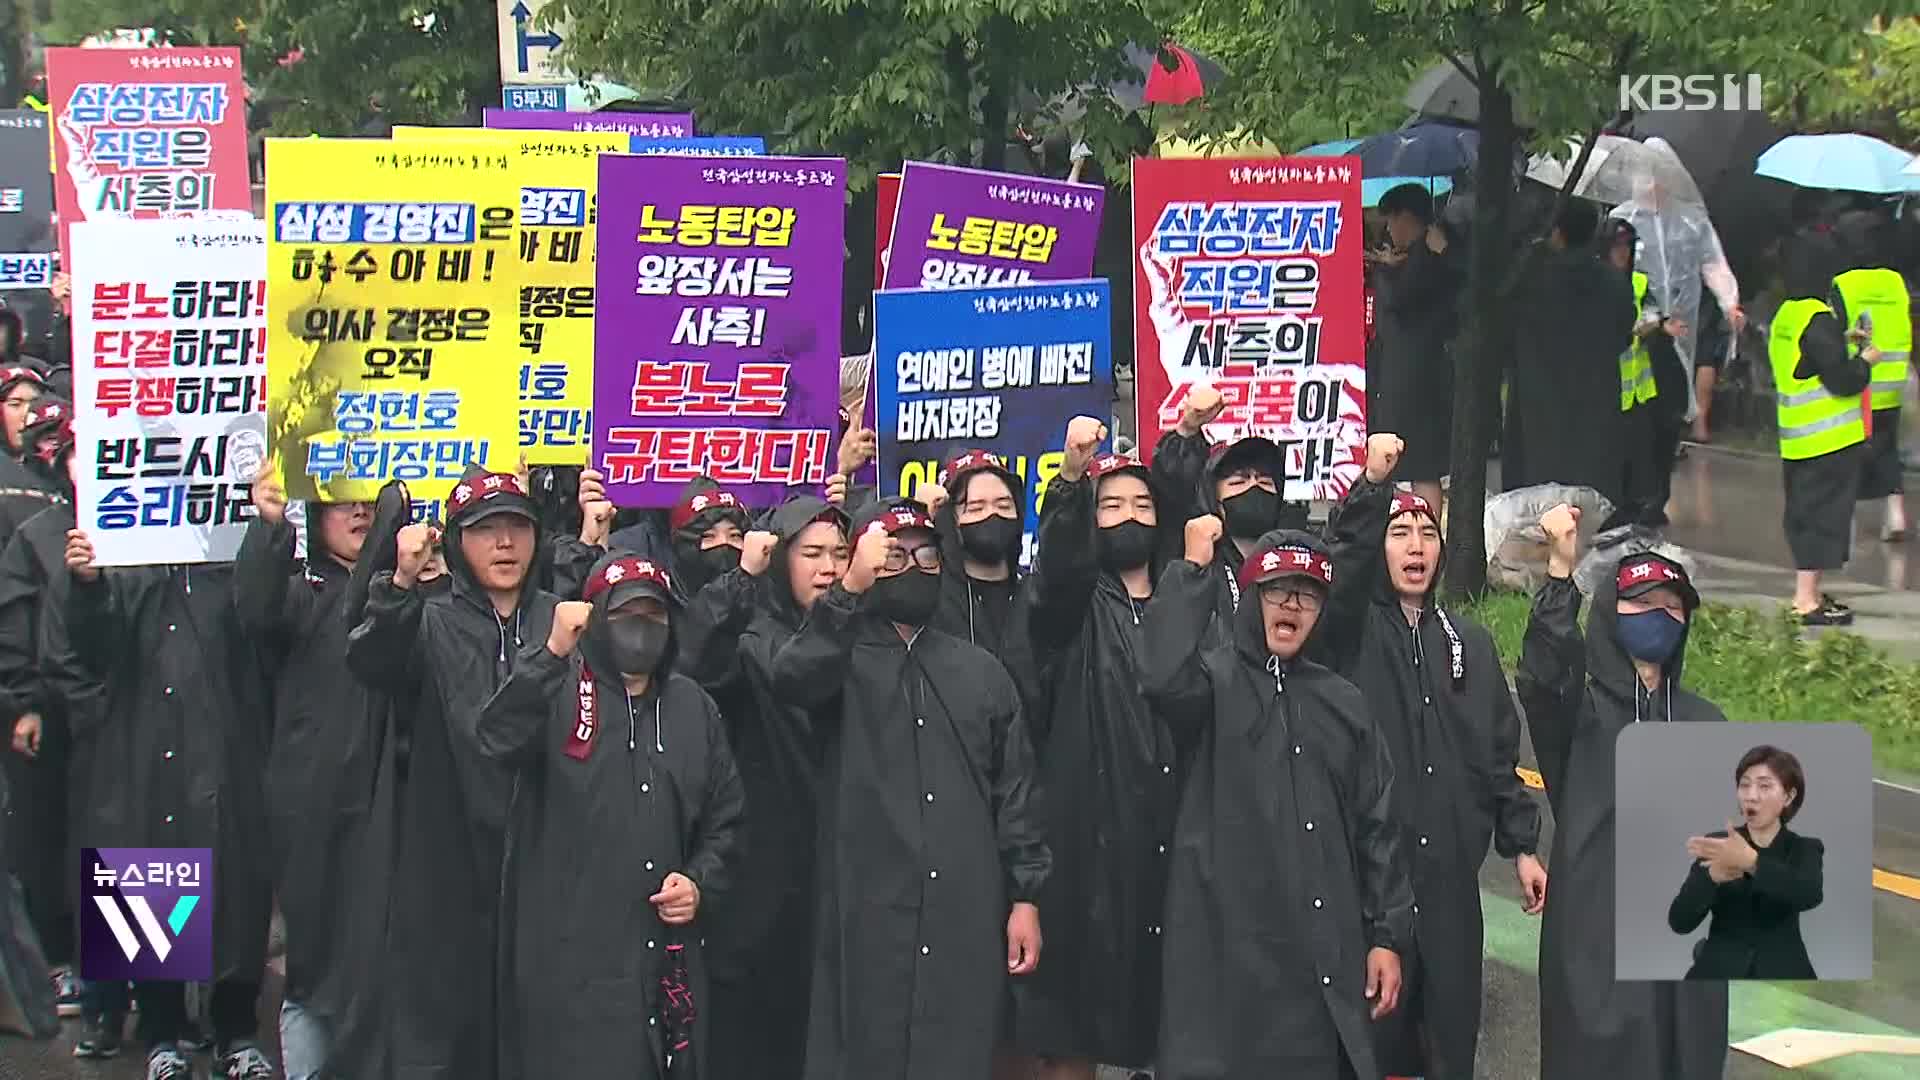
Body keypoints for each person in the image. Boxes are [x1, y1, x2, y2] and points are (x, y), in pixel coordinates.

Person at [769, 497, 1049, 1080]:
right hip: (864, 913)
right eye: (895, 556)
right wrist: (846, 588)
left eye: (926, 556)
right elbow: (791, 678)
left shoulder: (981, 672)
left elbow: (1016, 794)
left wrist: (1025, 897)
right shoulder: (837, 661)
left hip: (964, 915)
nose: (915, 568)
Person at [1139, 518, 1411, 1080]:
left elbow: (1378, 826)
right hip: (1224, 967)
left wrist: (1386, 936)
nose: (1293, 603)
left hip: (1318, 970)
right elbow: (1160, 676)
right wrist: (1192, 572)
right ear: (1251, 597)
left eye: (1309, 593)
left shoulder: (1345, 704)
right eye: (1278, 589)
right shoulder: (1209, 684)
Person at [1318, 433, 1546, 1079]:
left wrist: (1522, 843)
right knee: (1372, 1047)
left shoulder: (1466, 641)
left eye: (1427, 534)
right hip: (1372, 888)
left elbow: (1496, 751)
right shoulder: (1349, 630)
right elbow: (1341, 562)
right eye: (1399, 534)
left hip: (1450, 889)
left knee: (1447, 1045)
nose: (1415, 547)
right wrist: (1370, 487)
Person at [345, 467, 574, 1080]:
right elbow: (369, 660)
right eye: (486, 530)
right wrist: (394, 582)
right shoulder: (428, 616)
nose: (505, 545)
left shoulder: (566, 620)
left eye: (517, 528)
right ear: (455, 542)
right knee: (446, 1031)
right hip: (444, 859)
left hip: (547, 856)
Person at [478, 553, 745, 1079]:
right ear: (595, 618)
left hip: (668, 966)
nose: (641, 629)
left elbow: (727, 819)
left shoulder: (694, 706)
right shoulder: (553, 690)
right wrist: (552, 654)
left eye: (654, 615)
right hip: (574, 969)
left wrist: (700, 883)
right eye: (625, 615)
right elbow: (495, 739)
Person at [1519, 504, 1729, 1079]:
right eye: (1638, 603)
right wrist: (1561, 569)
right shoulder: (1578, 715)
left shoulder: (1706, 723)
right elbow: (1541, 675)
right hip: (1595, 946)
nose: (1656, 614)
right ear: (1611, 614)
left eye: (1670, 605)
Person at [63, 512, 276, 1077]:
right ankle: (161, 1034)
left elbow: (265, 620)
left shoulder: (232, 559)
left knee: (237, 894)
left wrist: (269, 526)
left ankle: (233, 1030)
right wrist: (85, 585)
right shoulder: (120, 563)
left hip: (228, 748)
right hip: (142, 749)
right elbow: (86, 648)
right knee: (145, 875)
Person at [1008, 422, 1180, 1080]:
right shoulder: (1070, 603)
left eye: (1142, 505)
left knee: (1172, 1018)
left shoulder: (1186, 595)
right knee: (1073, 1025)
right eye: (1112, 506)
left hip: (1172, 836)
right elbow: (1056, 565)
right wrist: (1074, 483)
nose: (1128, 517)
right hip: (1086, 840)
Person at [231, 471, 376, 1080]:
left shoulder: (408, 583)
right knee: (312, 959)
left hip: (385, 799)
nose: (360, 515)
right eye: (343, 504)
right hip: (308, 799)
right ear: (316, 518)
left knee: (377, 953)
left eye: (370, 502)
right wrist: (269, 527)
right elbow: (257, 607)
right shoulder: (299, 589)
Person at [709, 495, 848, 1080]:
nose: (828, 568)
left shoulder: (868, 635)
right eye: (811, 553)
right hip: (763, 878)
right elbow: (697, 658)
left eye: (841, 554)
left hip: (844, 867)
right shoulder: (749, 637)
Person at [0, 400, 92, 1036]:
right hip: (54, 713)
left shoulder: (161, 533)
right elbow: (14, 623)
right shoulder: (35, 530)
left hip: (130, 712)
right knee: (48, 837)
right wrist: (25, 701)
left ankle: (141, 984)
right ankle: (61, 961)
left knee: (125, 837)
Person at [1507, 201, 1637, 514]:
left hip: (1539, 404)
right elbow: (1624, 335)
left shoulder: (1530, 281)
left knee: (1540, 509)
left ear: (1557, 233)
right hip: (1596, 407)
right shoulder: (1615, 283)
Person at [1770, 229, 1872, 625]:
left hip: (1796, 439)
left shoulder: (1787, 314)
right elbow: (1844, 379)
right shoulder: (1817, 317)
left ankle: (1807, 593)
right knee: (1822, 517)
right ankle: (1807, 601)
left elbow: (1804, 362)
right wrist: (1866, 357)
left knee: (1803, 515)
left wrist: (1841, 338)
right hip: (1828, 440)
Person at [1146, 386, 1310, 630]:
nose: (1254, 486)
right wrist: (1187, 430)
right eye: (1239, 481)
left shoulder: (1299, 559)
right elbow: (1171, 486)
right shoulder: (1190, 556)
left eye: (1265, 481)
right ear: (1215, 499)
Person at [1668, 745, 1822, 980]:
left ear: (1788, 796)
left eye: (1764, 786)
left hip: (1785, 974)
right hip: (1718, 971)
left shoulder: (1805, 848)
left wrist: (1753, 863)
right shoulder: (1719, 844)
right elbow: (1679, 922)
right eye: (1745, 785)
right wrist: (1710, 879)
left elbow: (1809, 894)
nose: (1751, 795)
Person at [909, 449, 1042, 711]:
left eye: (1004, 505)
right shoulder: (930, 598)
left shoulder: (1037, 594)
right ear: (951, 519)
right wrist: (919, 521)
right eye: (975, 507)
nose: (991, 515)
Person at [1370, 183, 1459, 514]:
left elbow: (1404, 299)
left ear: (1407, 218)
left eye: (1392, 221)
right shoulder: (1421, 256)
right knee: (1414, 467)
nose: (1390, 230)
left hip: (1417, 376)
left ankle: (1427, 531)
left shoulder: (1431, 255)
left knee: (1420, 467)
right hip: (1409, 373)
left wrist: (1389, 272)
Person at [1831, 209, 1912, 542]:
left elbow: (1834, 330)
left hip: (1860, 377)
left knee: (1850, 446)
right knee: (1887, 444)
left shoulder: (1843, 284)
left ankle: (1843, 516)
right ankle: (1896, 514)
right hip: (1895, 377)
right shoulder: (1895, 281)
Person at [1605, 221, 1672, 527]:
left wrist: (1654, 326)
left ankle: (1646, 508)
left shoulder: (1640, 283)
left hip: (1639, 391)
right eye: (1618, 246)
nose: (1624, 253)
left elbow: (1653, 314)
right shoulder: (1598, 282)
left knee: (1644, 456)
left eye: (1627, 246)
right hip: (1609, 390)